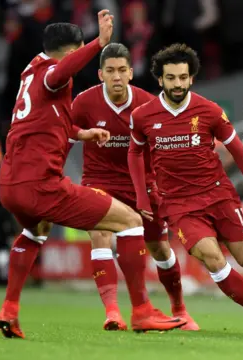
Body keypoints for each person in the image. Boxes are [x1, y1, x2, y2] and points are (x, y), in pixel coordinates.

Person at [0, 11, 187, 339]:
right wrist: (100, 41)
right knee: (130, 222)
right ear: (72, 52)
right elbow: (61, 72)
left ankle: (9, 310)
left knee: (35, 232)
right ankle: (142, 311)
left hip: (10, 183)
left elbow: (44, 120)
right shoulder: (53, 73)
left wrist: (80, 134)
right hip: (41, 184)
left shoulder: (31, 70)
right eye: (84, 51)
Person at [128, 43, 243, 335]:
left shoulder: (209, 111)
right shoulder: (143, 116)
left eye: (183, 77)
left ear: (191, 77)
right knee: (213, 258)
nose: (178, 84)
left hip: (218, 193)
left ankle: (226, 237)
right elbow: (134, 154)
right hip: (179, 204)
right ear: (160, 79)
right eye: (171, 78)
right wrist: (142, 197)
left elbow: (238, 152)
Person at [69, 43, 198, 331]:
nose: (116, 76)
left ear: (131, 73)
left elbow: (164, 144)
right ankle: (113, 312)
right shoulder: (84, 102)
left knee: (160, 248)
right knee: (100, 235)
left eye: (122, 70)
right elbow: (65, 131)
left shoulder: (147, 103)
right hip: (99, 181)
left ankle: (180, 309)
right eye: (110, 71)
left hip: (141, 183)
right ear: (101, 74)